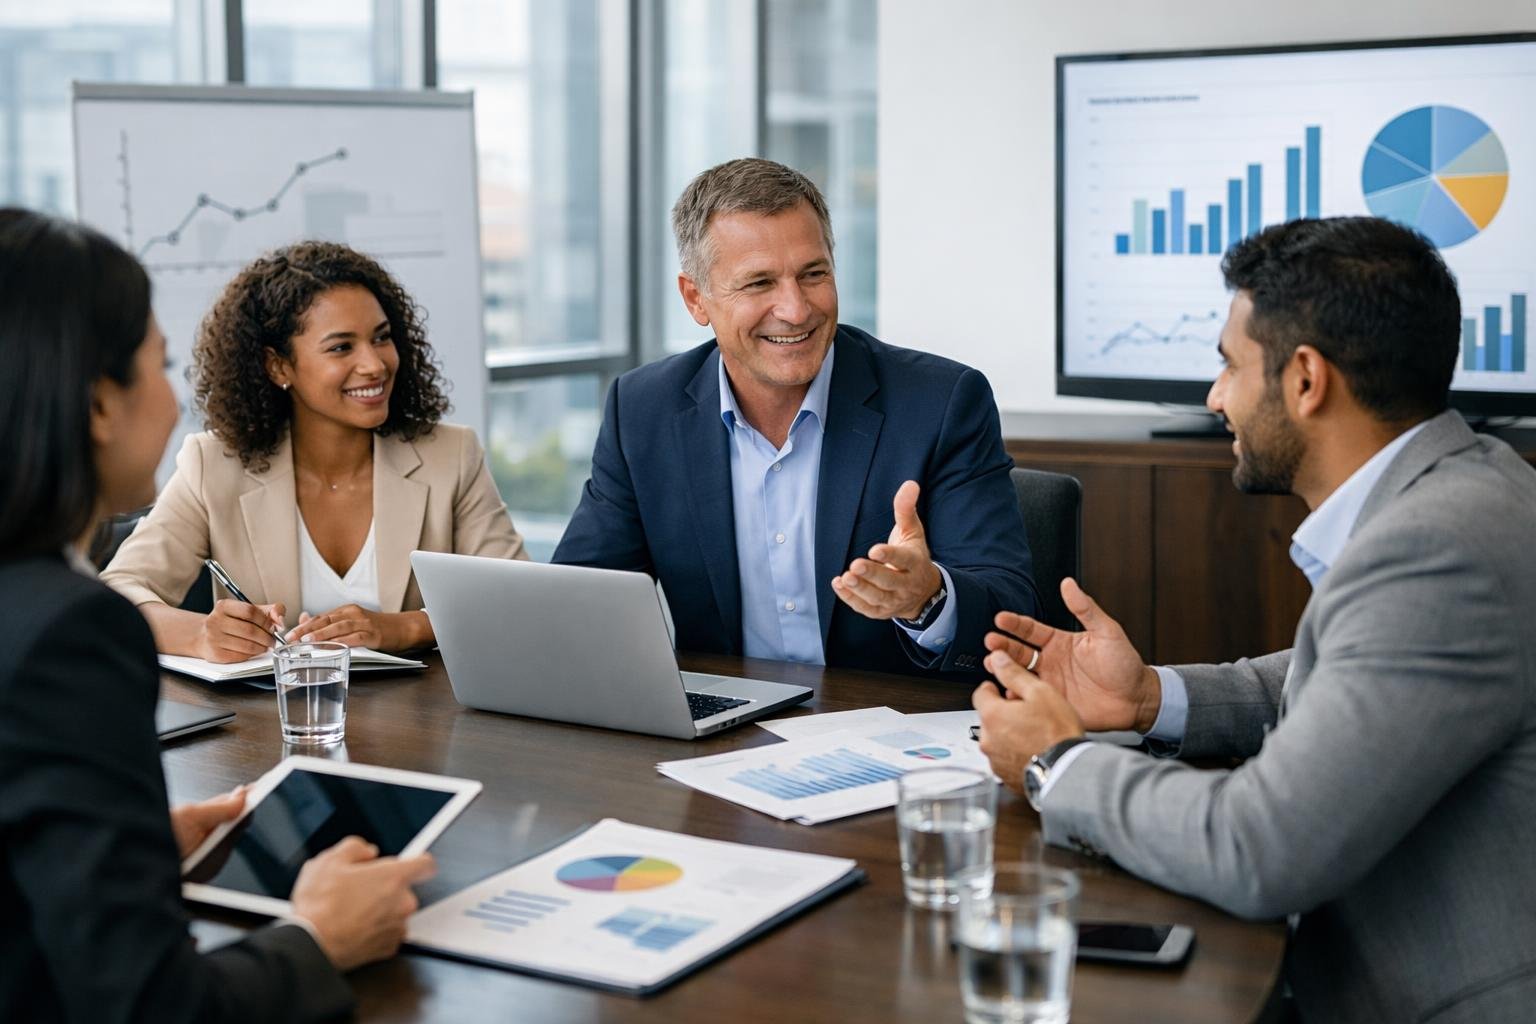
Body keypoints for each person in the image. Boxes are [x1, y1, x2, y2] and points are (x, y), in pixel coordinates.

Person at [972, 217, 1536, 1022]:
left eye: (1229, 365)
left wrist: (1056, 764)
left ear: (1306, 380)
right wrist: (1148, 699)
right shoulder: (1470, 481)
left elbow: (1259, 847)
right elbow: (1346, 680)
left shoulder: (1435, 551)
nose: (1215, 397)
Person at [0, 208, 438, 1021]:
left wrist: (123, 850)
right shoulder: (70, 636)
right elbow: (150, 1008)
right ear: (100, 405)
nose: (174, 407)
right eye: (158, 369)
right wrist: (318, 937)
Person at [554, 158, 1037, 677]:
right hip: (719, 737)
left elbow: (1014, 617)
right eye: (759, 283)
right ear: (697, 298)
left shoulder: (941, 403)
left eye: (813, 274)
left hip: (891, 730)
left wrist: (927, 597)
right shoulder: (643, 410)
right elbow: (577, 603)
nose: (796, 308)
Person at [101, 241, 526, 663]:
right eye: (342, 347)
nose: (375, 364)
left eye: (381, 338)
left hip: (425, 721)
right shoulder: (214, 465)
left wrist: (403, 627)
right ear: (278, 366)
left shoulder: (450, 455)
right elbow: (118, 594)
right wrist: (201, 635)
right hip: (273, 722)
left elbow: (516, 599)